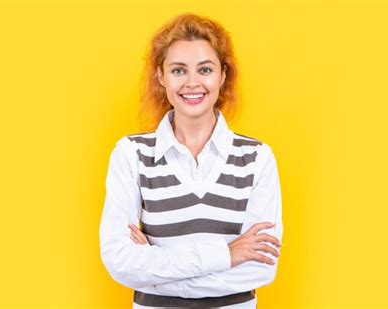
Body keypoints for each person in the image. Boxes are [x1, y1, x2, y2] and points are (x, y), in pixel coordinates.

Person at [99, 13, 283, 309]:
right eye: (178, 70)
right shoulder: (131, 154)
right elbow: (120, 261)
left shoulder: (257, 158)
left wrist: (154, 272)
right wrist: (227, 255)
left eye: (205, 69)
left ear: (223, 75)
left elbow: (260, 267)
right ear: (161, 76)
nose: (192, 83)